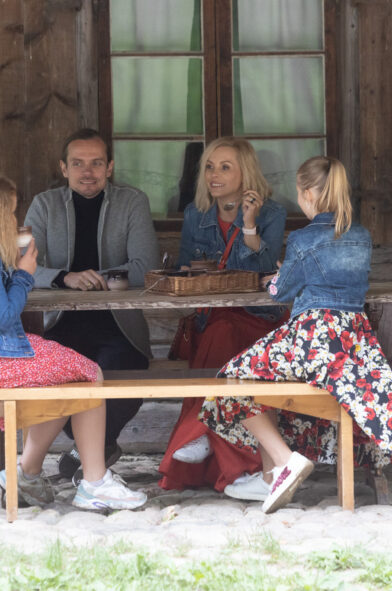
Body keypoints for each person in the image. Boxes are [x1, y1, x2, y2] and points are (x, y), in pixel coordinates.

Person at [199, 156, 392, 513]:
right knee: (260, 382)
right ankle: (272, 478)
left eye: (299, 193)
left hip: (313, 341)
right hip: (353, 344)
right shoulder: (361, 237)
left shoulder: (302, 238)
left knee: (233, 380)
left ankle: (285, 461)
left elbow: (281, 292)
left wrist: (276, 278)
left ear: (308, 194)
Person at [0, 173, 147, 511]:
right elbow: (3, 317)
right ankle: (94, 483)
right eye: (10, 211)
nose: (13, 219)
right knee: (90, 373)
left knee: (69, 377)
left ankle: (27, 472)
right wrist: (24, 274)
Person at [23, 129, 161, 481]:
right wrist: (64, 277)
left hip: (119, 325)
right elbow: (22, 267)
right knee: (56, 378)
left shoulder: (131, 202)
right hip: (59, 325)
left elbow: (145, 266)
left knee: (124, 373)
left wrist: (96, 277)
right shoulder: (45, 205)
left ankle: (94, 454)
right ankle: (96, 457)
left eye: (97, 163)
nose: (88, 172)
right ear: (63, 168)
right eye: (78, 163)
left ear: (110, 167)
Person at [158, 137, 288, 497]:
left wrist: (248, 224)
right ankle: (237, 467)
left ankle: (200, 428)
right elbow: (186, 266)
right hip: (212, 318)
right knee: (220, 332)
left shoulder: (271, 213)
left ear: (246, 172)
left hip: (258, 319)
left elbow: (263, 270)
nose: (214, 175)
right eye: (210, 167)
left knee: (223, 335)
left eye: (225, 167)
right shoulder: (195, 214)